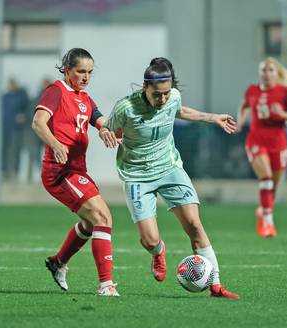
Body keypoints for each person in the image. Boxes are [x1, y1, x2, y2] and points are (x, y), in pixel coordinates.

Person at [99, 59, 239, 299]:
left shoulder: (173, 97)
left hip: (169, 169)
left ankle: (216, 285)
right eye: (157, 94)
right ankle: (158, 252)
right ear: (145, 87)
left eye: (166, 93)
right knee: (149, 239)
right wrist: (105, 133)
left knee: (195, 225)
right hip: (137, 176)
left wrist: (212, 117)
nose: (162, 99)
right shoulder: (126, 107)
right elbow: (107, 127)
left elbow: (180, 111)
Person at [31, 48, 120, 296]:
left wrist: (104, 129)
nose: (86, 77)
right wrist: (55, 143)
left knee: (91, 223)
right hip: (60, 171)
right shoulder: (56, 91)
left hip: (76, 169)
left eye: (90, 72)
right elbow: (38, 122)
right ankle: (106, 285)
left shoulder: (84, 97)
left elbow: (100, 119)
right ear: (67, 69)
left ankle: (58, 262)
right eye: (81, 71)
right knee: (103, 217)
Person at [236, 57, 287, 238]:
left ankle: (263, 211)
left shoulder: (285, 93)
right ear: (259, 73)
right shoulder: (252, 90)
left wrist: (283, 114)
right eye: (263, 70)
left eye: (270, 70)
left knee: (272, 186)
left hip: (278, 143)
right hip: (256, 140)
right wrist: (240, 122)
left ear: (277, 73)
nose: (266, 73)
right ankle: (268, 223)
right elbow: (244, 106)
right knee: (265, 178)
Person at [2, 78, 29, 179]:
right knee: (4, 150)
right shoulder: (4, 97)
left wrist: (23, 116)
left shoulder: (21, 96)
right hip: (5, 127)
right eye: (10, 84)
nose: (12, 86)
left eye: (13, 84)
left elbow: (28, 109)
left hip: (17, 129)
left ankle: (15, 171)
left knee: (16, 149)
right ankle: (4, 171)